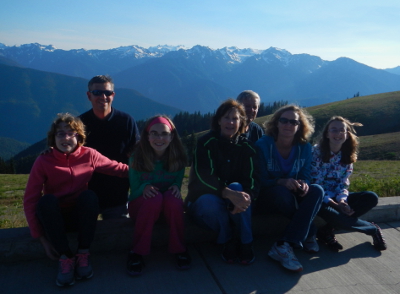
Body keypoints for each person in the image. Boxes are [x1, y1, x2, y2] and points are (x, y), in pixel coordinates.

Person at [23, 113, 129, 287]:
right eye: (60, 134)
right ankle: (65, 257)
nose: (65, 137)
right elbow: (30, 200)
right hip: (55, 221)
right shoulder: (43, 161)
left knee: (89, 197)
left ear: (78, 136)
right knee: (46, 201)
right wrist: (41, 238)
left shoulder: (89, 155)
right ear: (53, 138)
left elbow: (117, 168)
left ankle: (83, 253)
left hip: (80, 218)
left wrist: (145, 172)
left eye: (70, 133)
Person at [185, 99, 258, 265]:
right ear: (218, 120)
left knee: (240, 189)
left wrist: (245, 198)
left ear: (241, 122)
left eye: (235, 118)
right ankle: (227, 240)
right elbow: (204, 177)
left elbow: (253, 179)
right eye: (226, 118)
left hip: (234, 202)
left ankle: (246, 242)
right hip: (204, 199)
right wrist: (228, 193)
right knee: (209, 202)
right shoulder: (206, 143)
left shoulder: (248, 148)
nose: (230, 122)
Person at [255, 104, 324, 272]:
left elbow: (306, 174)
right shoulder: (262, 145)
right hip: (269, 195)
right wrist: (280, 182)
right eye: (284, 120)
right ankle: (309, 230)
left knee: (317, 190)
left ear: (299, 126)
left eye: (294, 122)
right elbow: (259, 180)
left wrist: (303, 183)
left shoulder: (305, 147)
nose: (288, 125)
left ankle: (284, 244)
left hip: (293, 193)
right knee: (281, 193)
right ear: (276, 123)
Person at [311, 116, 387, 252]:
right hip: (320, 199)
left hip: (337, 198)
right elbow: (316, 185)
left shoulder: (347, 155)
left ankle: (326, 231)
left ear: (347, 134)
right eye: (334, 130)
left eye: (342, 130)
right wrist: (335, 205)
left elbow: (343, 185)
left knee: (371, 197)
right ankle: (372, 229)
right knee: (338, 217)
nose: (338, 133)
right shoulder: (316, 153)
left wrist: (343, 201)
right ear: (327, 134)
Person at [127, 115, 190, 275]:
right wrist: (144, 187)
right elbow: (134, 190)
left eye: (164, 133)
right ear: (147, 136)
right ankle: (137, 252)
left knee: (174, 200)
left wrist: (176, 186)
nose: (159, 138)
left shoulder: (179, 157)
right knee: (154, 198)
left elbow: (177, 181)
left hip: (167, 208)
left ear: (172, 136)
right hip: (142, 206)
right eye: (154, 133)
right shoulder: (137, 157)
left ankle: (179, 249)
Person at [80, 75, 140, 219]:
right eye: (97, 93)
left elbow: (137, 156)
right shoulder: (79, 124)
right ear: (89, 96)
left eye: (107, 93)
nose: (103, 96)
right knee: (85, 237)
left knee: (117, 238)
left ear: (113, 95)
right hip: (86, 196)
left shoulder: (126, 121)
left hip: (118, 196)